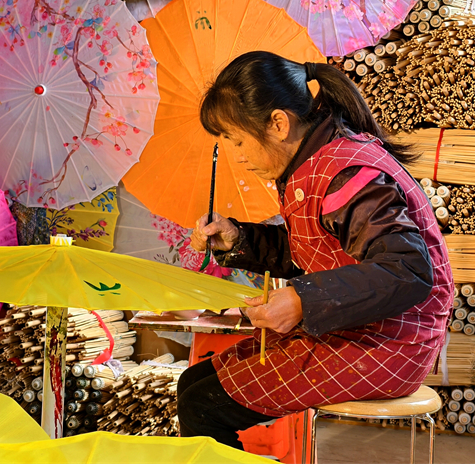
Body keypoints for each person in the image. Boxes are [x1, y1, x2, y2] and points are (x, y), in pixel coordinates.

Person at [177, 51, 454, 450]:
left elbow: (406, 270)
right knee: (193, 383)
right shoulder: (316, 164)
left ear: (278, 123)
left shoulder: (346, 171)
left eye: (239, 141)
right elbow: (313, 248)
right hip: (358, 328)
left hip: (391, 343)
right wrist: (238, 239)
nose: (238, 157)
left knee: (206, 405)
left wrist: (303, 301)